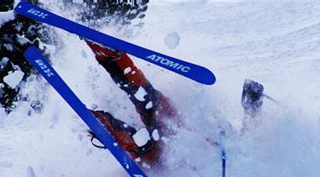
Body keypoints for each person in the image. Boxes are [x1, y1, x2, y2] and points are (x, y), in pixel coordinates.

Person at [86, 42, 264, 168]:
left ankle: (95, 120)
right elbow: (249, 137)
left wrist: (252, 108)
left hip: (159, 159)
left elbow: (247, 144)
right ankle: (110, 56)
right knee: (148, 99)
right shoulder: (228, 141)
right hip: (173, 129)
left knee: (140, 144)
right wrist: (252, 105)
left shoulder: (235, 165)